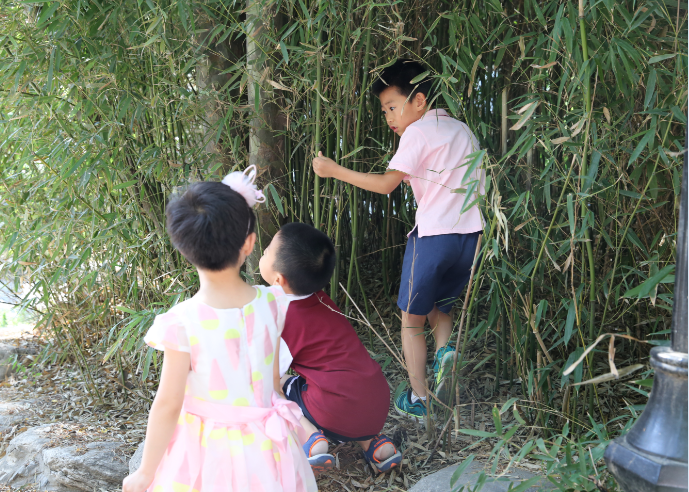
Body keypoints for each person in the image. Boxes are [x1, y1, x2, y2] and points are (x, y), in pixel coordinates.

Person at [122, 166, 317, 492]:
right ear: (250, 243)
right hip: (269, 449)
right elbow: (272, 385)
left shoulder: (182, 322)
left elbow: (168, 403)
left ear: (182, 246)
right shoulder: (273, 303)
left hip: (208, 452)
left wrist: (145, 472)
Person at [312, 59, 484, 421]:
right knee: (440, 307)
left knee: (411, 319)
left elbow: (386, 184)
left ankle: (419, 399)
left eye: (392, 107)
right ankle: (445, 355)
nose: (388, 117)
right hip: (472, 237)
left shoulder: (417, 133)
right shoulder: (461, 129)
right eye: (384, 110)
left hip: (433, 237)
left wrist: (334, 170)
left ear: (418, 101)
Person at [259, 222, 402, 474]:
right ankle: (376, 445)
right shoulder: (322, 300)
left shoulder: (281, 317)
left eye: (267, 250)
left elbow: (269, 377)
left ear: (278, 280)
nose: (263, 251)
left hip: (333, 409)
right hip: (378, 402)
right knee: (342, 389)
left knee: (274, 386)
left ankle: (310, 437)